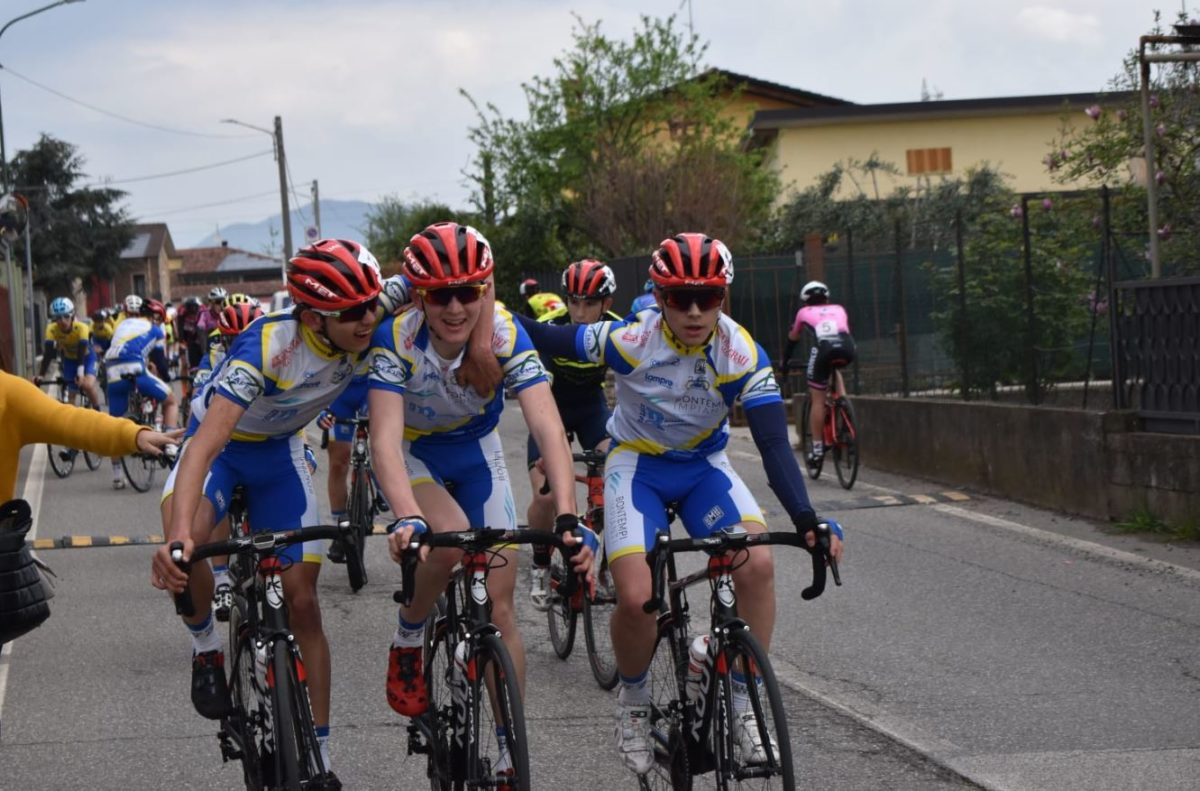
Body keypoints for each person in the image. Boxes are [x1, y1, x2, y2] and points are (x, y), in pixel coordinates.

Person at [514, 232, 844, 776]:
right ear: (660, 297)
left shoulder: (740, 352)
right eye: (679, 298)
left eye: (708, 297)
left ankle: (741, 703)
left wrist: (806, 519)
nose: (694, 311)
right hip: (636, 468)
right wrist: (481, 307)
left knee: (757, 563)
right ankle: (634, 703)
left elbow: (772, 445)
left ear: (724, 297)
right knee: (637, 595)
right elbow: (546, 336)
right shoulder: (629, 340)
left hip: (702, 469)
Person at [150, 239, 385, 788]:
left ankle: (321, 755)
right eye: (351, 312)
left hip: (281, 454)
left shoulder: (370, 316)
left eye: (372, 304)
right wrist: (182, 535)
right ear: (311, 316)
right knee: (185, 548)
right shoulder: (269, 346)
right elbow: (204, 448)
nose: (367, 318)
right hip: (225, 451)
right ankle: (207, 645)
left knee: (303, 603)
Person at [366, 222, 596, 753]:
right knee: (446, 538)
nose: (453, 308)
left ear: (483, 291)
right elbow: (383, 440)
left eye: (466, 293)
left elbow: (548, 428)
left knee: (501, 605)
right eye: (440, 295)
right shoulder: (395, 337)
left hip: (476, 450)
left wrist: (566, 512)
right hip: (414, 451)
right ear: (420, 294)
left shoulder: (507, 334)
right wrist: (405, 515)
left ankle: (509, 746)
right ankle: (409, 633)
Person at [526, 258, 622, 610]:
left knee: (621, 470)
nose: (580, 312)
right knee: (546, 497)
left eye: (590, 303)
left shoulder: (618, 329)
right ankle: (539, 564)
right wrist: (549, 450)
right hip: (550, 408)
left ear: (606, 304)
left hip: (591, 410)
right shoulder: (550, 327)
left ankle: (611, 557)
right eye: (574, 302)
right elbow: (541, 386)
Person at [0, 370, 179, 501]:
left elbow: (71, 421)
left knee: (87, 385)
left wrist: (133, 434)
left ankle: (94, 403)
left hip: (86, 364)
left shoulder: (10, 391)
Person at [781, 280, 857, 466]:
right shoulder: (839, 309)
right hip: (847, 347)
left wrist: (784, 362)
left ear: (805, 301)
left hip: (824, 349)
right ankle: (844, 405)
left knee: (818, 400)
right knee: (835, 369)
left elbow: (793, 340)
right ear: (827, 298)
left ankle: (816, 449)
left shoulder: (803, 313)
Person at [34, 297, 104, 410]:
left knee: (88, 385)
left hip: (87, 357)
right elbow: (48, 354)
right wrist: (41, 375)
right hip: (70, 359)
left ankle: (98, 412)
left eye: (66, 316)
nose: (62, 321)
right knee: (71, 396)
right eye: (58, 318)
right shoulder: (51, 329)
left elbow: (81, 351)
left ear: (72, 315)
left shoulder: (82, 327)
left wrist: (80, 374)